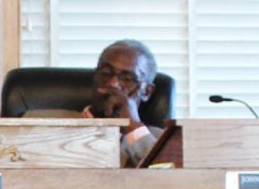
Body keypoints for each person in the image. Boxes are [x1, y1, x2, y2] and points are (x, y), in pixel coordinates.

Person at [25, 39, 164, 167]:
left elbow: (169, 182)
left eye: (127, 79)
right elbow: (3, 184)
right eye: (105, 72)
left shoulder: (161, 142)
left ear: (147, 92)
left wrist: (132, 127)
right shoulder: (37, 124)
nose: (112, 83)